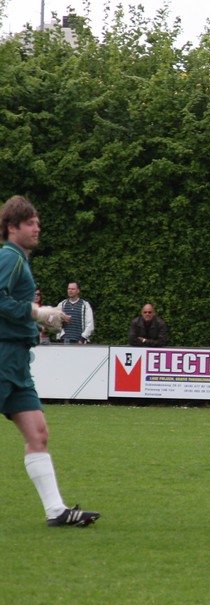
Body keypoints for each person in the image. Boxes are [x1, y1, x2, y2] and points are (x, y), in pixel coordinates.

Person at [0, 195, 99, 527]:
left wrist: (39, 320)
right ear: (11, 227)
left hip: (16, 361)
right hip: (3, 356)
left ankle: (56, 511)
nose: (37, 228)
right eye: (30, 223)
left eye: (38, 222)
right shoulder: (10, 256)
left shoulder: (19, 259)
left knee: (38, 433)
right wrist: (36, 312)